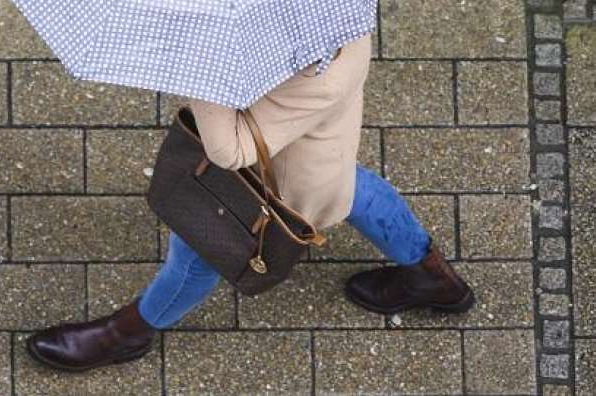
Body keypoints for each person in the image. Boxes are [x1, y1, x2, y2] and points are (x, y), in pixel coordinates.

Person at [25, 31, 474, 372]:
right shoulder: (338, 15)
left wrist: (197, 62)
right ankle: (433, 276)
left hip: (277, 181)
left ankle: (128, 333)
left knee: (198, 253)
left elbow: (229, 150)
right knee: (356, 190)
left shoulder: (311, 76)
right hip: (320, 153)